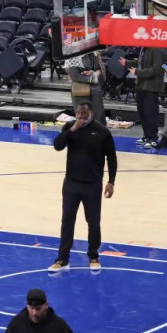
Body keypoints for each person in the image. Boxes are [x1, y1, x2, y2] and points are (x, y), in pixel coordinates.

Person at [49, 101, 117, 273]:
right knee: (67, 221)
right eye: (79, 113)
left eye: (84, 114)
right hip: (71, 183)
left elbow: (112, 158)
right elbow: (57, 146)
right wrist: (72, 130)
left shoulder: (102, 131)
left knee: (93, 222)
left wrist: (111, 181)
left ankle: (93, 256)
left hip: (93, 185)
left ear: (91, 113)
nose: (81, 117)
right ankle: (62, 259)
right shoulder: (70, 127)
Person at [120, 47, 165, 148]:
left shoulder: (157, 49)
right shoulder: (144, 48)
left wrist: (137, 72)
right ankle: (147, 136)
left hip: (151, 86)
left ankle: (153, 138)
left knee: (151, 113)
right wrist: (127, 62)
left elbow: (156, 69)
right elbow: (140, 62)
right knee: (143, 112)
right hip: (140, 85)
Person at [65, 51, 106, 124]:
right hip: (80, 90)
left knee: (99, 117)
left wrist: (94, 73)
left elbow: (98, 69)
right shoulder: (72, 56)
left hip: (95, 89)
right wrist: (92, 77)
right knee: (84, 119)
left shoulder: (93, 53)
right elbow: (75, 76)